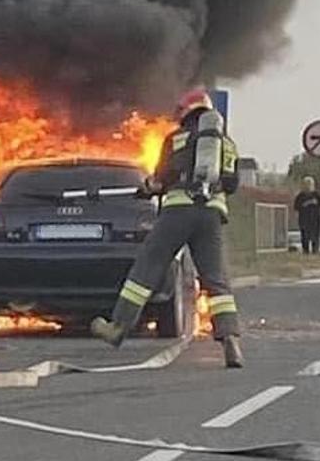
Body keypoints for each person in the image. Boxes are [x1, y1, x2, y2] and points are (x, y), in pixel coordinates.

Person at [91, 88, 245, 368]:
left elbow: (162, 178)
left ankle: (118, 328)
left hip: (177, 212)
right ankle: (231, 340)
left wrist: (148, 188)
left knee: (147, 267)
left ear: (185, 112)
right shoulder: (227, 144)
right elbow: (232, 184)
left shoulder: (176, 139)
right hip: (210, 216)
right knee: (215, 279)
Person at [293, 176, 320, 254]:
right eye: (306, 184)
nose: (308, 186)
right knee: (305, 236)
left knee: (315, 236)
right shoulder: (300, 196)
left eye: (310, 184)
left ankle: (315, 250)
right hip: (304, 220)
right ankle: (305, 250)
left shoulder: (317, 195)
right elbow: (296, 208)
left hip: (315, 219)